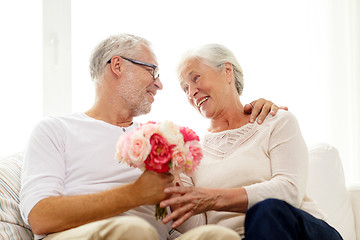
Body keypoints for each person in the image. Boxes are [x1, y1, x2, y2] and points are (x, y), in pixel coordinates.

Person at [19, 34, 279, 240]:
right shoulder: (55, 130)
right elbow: (40, 216)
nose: (159, 84)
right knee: (133, 232)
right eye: (151, 71)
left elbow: (192, 219)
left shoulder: (162, 136)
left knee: (217, 236)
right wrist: (135, 194)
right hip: (86, 234)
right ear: (117, 65)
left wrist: (253, 113)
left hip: (160, 236)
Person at [159, 44, 343, 240]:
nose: (191, 92)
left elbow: (290, 190)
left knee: (266, 210)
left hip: (299, 231)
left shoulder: (275, 121)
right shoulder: (190, 152)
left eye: (195, 78)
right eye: (185, 88)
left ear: (227, 72)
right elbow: (196, 228)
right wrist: (171, 175)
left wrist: (213, 198)